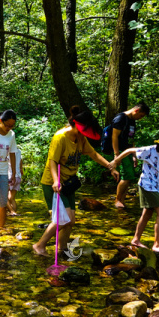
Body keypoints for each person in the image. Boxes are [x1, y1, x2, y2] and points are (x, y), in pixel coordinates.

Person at [33, 106, 120, 257]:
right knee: (63, 219)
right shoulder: (60, 137)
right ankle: (39, 245)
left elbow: (93, 154)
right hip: (53, 183)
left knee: (71, 220)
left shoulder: (80, 138)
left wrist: (110, 166)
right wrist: (55, 181)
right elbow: (52, 161)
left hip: (69, 183)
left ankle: (62, 248)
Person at [111, 129, 159, 253]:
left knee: (147, 214)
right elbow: (129, 150)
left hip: (155, 187)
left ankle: (136, 240)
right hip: (147, 186)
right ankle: (157, 244)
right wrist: (116, 160)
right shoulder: (149, 150)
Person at [102, 102, 151, 208]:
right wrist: (116, 155)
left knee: (129, 176)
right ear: (136, 110)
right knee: (126, 175)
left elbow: (131, 138)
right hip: (120, 151)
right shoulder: (120, 118)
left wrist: (134, 155)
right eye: (141, 115)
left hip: (128, 151)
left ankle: (122, 200)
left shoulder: (132, 121)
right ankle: (117, 200)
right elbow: (114, 137)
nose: (140, 118)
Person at [7, 143, 24, 216]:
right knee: (12, 198)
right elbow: (20, 160)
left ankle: (11, 212)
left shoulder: (8, 152)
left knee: (4, 197)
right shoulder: (19, 151)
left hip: (10, 176)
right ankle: (14, 213)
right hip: (18, 176)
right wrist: (21, 169)